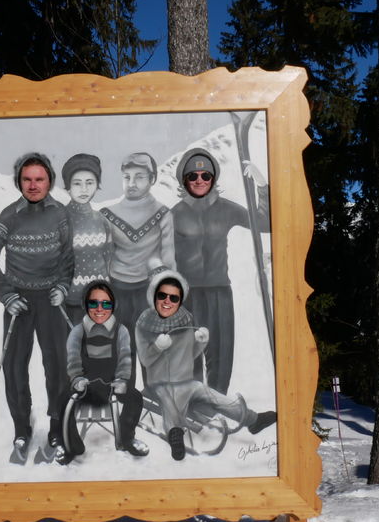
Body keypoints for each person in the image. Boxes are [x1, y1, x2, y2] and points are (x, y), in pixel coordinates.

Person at [0, 152, 73, 458]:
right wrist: (7, 295)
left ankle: (57, 428)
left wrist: (62, 287)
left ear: (49, 181)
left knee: (57, 366)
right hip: (18, 300)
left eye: (39, 179)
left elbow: (68, 259)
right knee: (15, 366)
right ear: (19, 181)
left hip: (51, 300)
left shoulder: (60, 214)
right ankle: (22, 428)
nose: (33, 185)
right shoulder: (9, 215)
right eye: (27, 179)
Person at [135, 267, 276, 460]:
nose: (167, 301)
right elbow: (145, 359)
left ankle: (253, 420)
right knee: (172, 400)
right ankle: (175, 435)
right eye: (162, 296)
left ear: (180, 300)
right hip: (159, 383)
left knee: (215, 397)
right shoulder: (144, 323)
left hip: (186, 382)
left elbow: (189, 355)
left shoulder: (185, 318)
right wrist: (157, 347)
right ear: (153, 295)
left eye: (173, 298)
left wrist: (201, 342)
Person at [171, 148, 270, 394]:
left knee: (221, 354)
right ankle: (193, 404)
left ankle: (216, 402)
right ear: (184, 180)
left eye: (206, 175)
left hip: (219, 291)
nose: (200, 180)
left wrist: (262, 187)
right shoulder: (175, 214)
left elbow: (264, 223)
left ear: (213, 178)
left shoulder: (226, 209)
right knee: (189, 354)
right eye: (193, 176)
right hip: (186, 295)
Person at [100, 152, 175, 386]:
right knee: (122, 347)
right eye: (127, 177)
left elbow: (168, 260)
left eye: (139, 177)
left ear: (152, 179)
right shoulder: (107, 214)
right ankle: (126, 400)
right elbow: (103, 257)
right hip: (117, 290)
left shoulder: (163, 213)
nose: (131, 183)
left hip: (149, 292)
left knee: (151, 347)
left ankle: (154, 397)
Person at [53, 281, 150, 465]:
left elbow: (125, 359)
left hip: (111, 385)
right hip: (86, 387)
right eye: (93, 303)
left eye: (106, 304)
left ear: (113, 305)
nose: (99, 309)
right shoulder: (78, 332)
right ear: (85, 305)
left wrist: (122, 380)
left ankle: (127, 438)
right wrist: (77, 379)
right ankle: (71, 445)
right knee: (62, 400)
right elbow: (73, 360)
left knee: (135, 398)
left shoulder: (121, 331)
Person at [60, 153, 112, 325]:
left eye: (89, 183)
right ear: (68, 187)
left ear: (97, 185)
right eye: (77, 183)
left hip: (100, 302)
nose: (84, 189)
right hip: (70, 302)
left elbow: (108, 258)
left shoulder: (102, 220)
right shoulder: (59, 220)